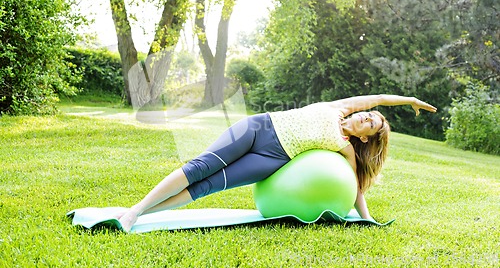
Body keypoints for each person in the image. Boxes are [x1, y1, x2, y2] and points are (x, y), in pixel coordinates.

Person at [117, 94, 437, 232]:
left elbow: (355, 187)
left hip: (271, 158)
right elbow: (379, 98)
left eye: (370, 123)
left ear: (365, 137)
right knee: (201, 167)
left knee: (207, 187)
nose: (365, 116)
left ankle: (142, 214)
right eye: (368, 114)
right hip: (258, 128)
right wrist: (408, 101)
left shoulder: (345, 148)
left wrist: (367, 218)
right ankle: (134, 210)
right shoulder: (340, 107)